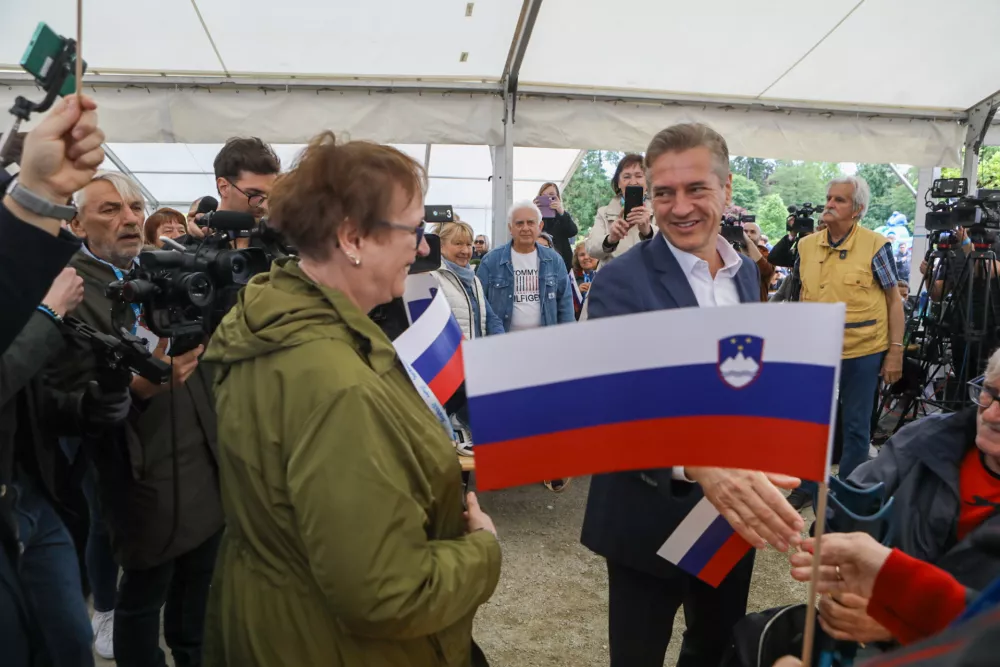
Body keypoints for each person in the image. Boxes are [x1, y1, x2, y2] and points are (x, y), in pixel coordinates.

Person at [201, 134, 501, 666]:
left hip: (271, 620)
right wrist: (481, 552)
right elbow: (386, 593)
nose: (423, 246)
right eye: (412, 230)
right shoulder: (336, 385)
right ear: (352, 237)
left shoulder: (270, 316)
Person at [580, 123, 804, 667]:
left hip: (730, 515)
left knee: (715, 646)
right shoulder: (621, 282)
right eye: (664, 192)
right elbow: (616, 403)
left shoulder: (746, 274)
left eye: (696, 189)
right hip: (647, 512)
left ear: (726, 190)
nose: (679, 207)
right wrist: (696, 463)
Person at [45, 171, 222, 667]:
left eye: (135, 208)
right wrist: (139, 388)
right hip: (138, 470)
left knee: (197, 595)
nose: (129, 218)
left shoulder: (165, 270)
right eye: (110, 210)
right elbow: (67, 401)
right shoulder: (70, 291)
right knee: (144, 598)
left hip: (199, 454)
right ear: (78, 223)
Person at [0, 94, 103, 667]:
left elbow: (53, 391)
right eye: (110, 209)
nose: (129, 221)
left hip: (30, 494)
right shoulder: (49, 280)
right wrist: (48, 314)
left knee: (69, 643)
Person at [785, 175, 905, 510]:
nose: (829, 205)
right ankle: (807, 486)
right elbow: (799, 296)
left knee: (856, 427)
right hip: (816, 349)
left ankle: (847, 491)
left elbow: (894, 300)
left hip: (863, 350)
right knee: (811, 423)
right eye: (828, 198)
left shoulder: (876, 245)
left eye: (839, 200)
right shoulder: (806, 246)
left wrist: (895, 352)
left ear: (858, 210)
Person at [476, 200, 575, 333]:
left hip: (545, 341)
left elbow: (565, 305)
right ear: (510, 228)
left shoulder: (554, 260)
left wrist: (567, 338)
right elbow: (479, 305)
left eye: (530, 222)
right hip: (503, 342)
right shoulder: (491, 261)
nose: (525, 228)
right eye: (519, 223)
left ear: (540, 226)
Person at [432, 221, 504, 339]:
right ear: (441, 246)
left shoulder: (474, 280)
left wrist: (501, 341)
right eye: (458, 244)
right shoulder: (433, 278)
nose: (465, 250)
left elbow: (491, 319)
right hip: (453, 355)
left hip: (475, 353)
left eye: (469, 244)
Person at [585, 153, 655, 268]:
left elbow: (672, 249)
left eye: (639, 176)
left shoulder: (659, 211)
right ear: (618, 183)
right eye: (626, 177)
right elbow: (591, 249)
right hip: (612, 281)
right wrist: (610, 239)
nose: (633, 182)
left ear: (647, 182)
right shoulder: (603, 213)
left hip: (648, 281)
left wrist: (648, 232)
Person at [213, 137, 280, 225]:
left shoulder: (275, 236)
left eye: (270, 196)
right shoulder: (198, 235)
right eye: (254, 194)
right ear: (223, 187)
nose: (264, 206)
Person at [535, 182, 579, 271]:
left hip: (562, 262)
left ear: (558, 197)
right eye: (544, 196)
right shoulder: (535, 216)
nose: (548, 199)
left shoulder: (562, 216)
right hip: (541, 263)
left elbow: (573, 231)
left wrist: (561, 212)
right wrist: (533, 212)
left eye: (552, 195)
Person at [741, 220, 776, 302]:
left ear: (760, 238)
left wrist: (749, 242)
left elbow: (766, 271)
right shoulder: (731, 252)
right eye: (745, 231)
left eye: (752, 232)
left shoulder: (767, 255)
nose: (748, 234)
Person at [572, 241, 597, 319]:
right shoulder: (572, 280)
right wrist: (577, 293)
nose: (586, 257)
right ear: (577, 258)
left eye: (590, 253)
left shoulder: (605, 275)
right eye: (582, 255)